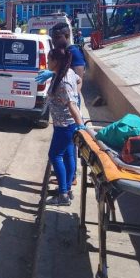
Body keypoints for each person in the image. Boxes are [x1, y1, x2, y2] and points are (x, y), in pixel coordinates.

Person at [45, 48, 85, 206]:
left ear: (56, 61)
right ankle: (67, 189)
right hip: (64, 124)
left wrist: (81, 126)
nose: (47, 63)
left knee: (55, 155)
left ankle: (63, 195)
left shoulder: (64, 81)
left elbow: (72, 105)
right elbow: (79, 80)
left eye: (49, 60)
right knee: (68, 156)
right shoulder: (66, 73)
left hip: (66, 126)